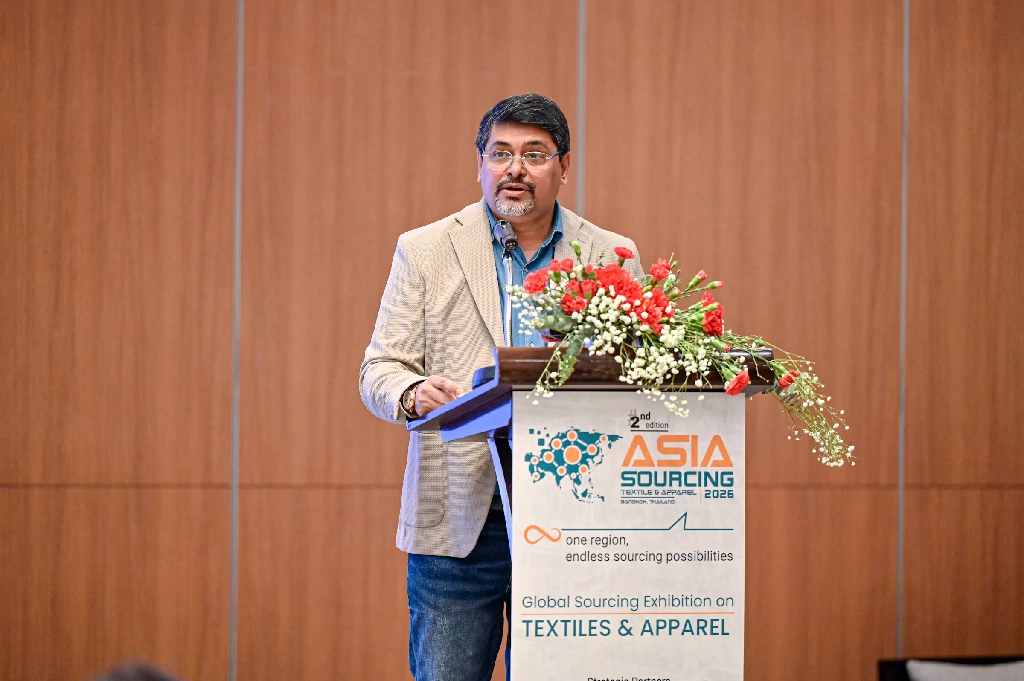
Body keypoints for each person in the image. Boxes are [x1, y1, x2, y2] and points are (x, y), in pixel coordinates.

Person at [359, 93, 643, 681]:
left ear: (564, 166)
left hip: (577, 515)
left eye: (534, 154)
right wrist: (413, 393)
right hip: (461, 518)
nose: (515, 168)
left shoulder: (611, 255)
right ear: (480, 163)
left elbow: (639, 375)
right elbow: (380, 369)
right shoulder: (426, 249)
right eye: (500, 153)